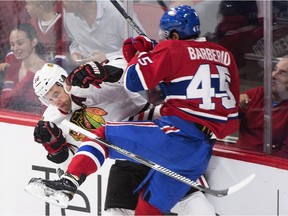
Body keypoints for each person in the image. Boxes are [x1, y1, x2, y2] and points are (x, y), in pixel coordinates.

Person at [26, 5, 239, 215]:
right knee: (148, 208)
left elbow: (130, 79)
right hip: (196, 147)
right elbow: (227, 106)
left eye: (54, 93)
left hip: (167, 137)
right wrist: (54, 147)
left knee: (103, 136)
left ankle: (68, 184)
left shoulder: (86, 82)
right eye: (47, 98)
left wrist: (133, 57)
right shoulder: (224, 54)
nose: (53, 101)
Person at [61, 0, 144, 66]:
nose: (61, 1)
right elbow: (74, 41)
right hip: (85, 69)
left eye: (66, 0)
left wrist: (108, 58)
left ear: (80, 2)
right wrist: (75, 52)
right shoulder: (68, 13)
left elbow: (141, 46)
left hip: (117, 69)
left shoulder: (118, 13)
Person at [236, 56, 288, 156]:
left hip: (270, 165)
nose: (273, 75)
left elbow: (286, 152)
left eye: (282, 73)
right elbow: (226, 123)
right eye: (275, 69)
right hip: (240, 158)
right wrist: (238, 107)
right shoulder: (256, 94)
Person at [0, 23, 46, 114]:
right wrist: (28, 77)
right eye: (12, 44)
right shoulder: (13, 68)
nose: (15, 48)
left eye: (20, 43)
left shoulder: (46, 70)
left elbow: (47, 110)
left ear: (34, 42)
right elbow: (3, 103)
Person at [24, 0, 71, 68]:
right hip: (37, 70)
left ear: (40, 8)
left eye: (29, 4)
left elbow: (65, 50)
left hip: (61, 68)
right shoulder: (31, 24)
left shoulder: (63, 23)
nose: (26, 7)